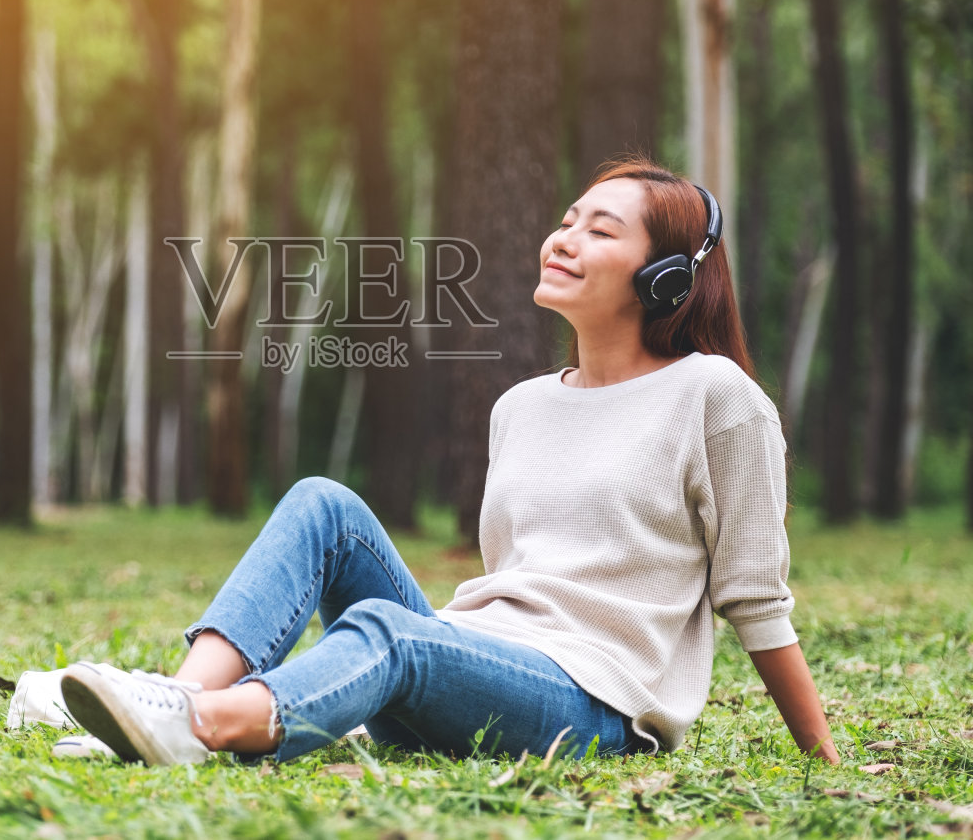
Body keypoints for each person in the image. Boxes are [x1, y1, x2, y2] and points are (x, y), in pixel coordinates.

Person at [58, 157, 840, 768]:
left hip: (594, 704)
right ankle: (172, 704)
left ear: (665, 277)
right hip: (471, 665)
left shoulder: (715, 396)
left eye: (601, 231)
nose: (564, 238)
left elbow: (756, 601)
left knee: (388, 631)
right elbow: (518, 579)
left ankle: (208, 724)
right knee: (324, 503)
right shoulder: (522, 406)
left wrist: (822, 759)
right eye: (567, 220)